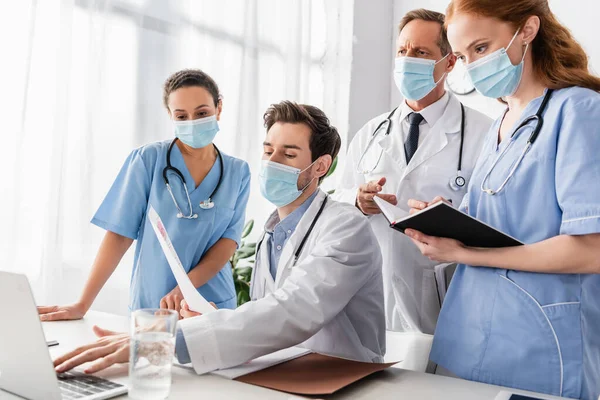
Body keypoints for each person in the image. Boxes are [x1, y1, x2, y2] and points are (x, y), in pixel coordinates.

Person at [52, 101, 385, 375]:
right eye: (268, 150)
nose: (271, 163)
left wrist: (172, 340)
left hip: (343, 378)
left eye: (288, 154)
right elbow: (264, 317)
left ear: (320, 167)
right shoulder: (274, 234)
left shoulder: (346, 227)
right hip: (285, 373)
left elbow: (294, 311)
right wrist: (211, 321)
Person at [405, 1, 600, 399]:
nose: (474, 66)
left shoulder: (579, 110)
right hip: (473, 336)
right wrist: (445, 221)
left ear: (527, 30)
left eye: (481, 48)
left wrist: (465, 254)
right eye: (462, 56)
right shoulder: (503, 121)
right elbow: (501, 222)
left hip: (540, 345)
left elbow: (591, 251)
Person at [38, 69, 251, 319]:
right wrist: (82, 303)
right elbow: (119, 235)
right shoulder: (148, 160)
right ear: (170, 116)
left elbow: (227, 243)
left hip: (212, 302)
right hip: (155, 303)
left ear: (219, 108)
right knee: (150, 357)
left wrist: (186, 287)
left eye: (202, 113)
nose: (192, 122)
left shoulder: (238, 172)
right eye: (181, 116)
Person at [335, 9, 492, 334]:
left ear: (449, 63)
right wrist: (357, 200)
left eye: (421, 53)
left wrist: (454, 219)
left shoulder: (484, 133)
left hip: (443, 292)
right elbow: (338, 202)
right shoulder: (370, 133)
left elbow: (495, 220)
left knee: (437, 380)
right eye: (403, 51)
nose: (408, 61)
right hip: (373, 289)